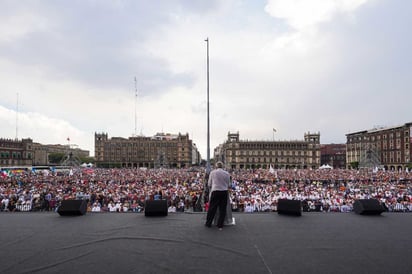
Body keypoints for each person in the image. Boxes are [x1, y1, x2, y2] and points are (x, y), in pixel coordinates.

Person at [205, 161, 230, 230]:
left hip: (215, 191)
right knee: (222, 209)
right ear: (222, 166)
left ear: (216, 166)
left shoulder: (213, 172)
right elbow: (229, 184)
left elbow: (209, 184)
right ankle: (220, 225)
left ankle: (208, 223)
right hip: (224, 192)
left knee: (212, 208)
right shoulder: (227, 173)